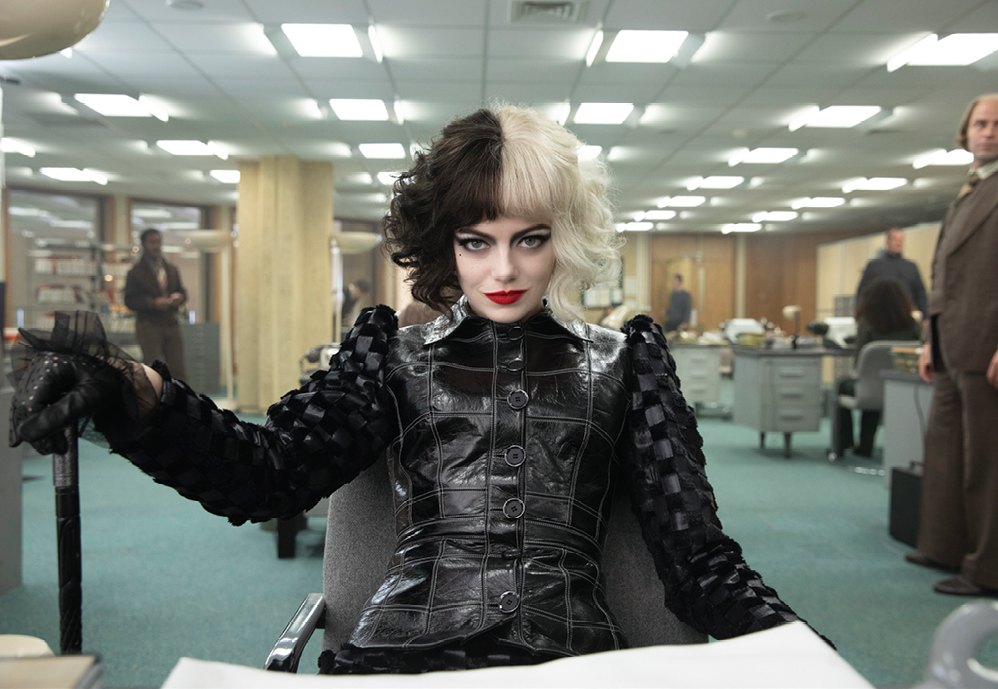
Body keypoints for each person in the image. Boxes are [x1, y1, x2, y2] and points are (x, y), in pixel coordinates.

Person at [9, 105, 820, 674]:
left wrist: (812, 656)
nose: (503, 268)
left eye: (530, 238)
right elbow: (268, 473)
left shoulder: (627, 360)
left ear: (564, 237)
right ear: (447, 244)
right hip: (400, 662)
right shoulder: (390, 354)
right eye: (477, 240)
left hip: (567, 663)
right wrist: (132, 387)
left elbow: (699, 560)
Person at [909, 94, 998, 597]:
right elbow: (942, 273)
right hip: (949, 344)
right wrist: (929, 340)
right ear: (966, 131)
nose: (988, 131)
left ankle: (987, 569)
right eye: (980, 123)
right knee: (946, 455)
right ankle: (943, 545)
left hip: (986, 344)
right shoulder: (969, 188)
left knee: (987, 462)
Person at [835, 279, 920, 457]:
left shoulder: (866, 324)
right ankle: (868, 444)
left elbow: (859, 363)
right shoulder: (912, 325)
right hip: (904, 388)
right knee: (875, 387)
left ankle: (845, 443)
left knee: (844, 385)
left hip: (871, 388)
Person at [123, 228, 188, 380]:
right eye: (152, 242)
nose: (156, 246)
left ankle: (180, 395)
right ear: (144, 244)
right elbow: (130, 300)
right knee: (153, 370)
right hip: (149, 325)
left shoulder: (171, 269)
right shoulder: (136, 272)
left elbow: (183, 292)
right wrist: (153, 303)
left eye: (158, 242)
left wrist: (179, 298)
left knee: (178, 369)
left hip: (171, 323)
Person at [856, 228, 927, 317]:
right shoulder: (874, 266)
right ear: (887, 242)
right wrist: (859, 314)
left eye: (901, 240)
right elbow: (862, 292)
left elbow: (920, 294)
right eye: (895, 239)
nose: (898, 243)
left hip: (905, 316)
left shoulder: (911, 267)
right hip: (879, 316)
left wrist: (925, 316)